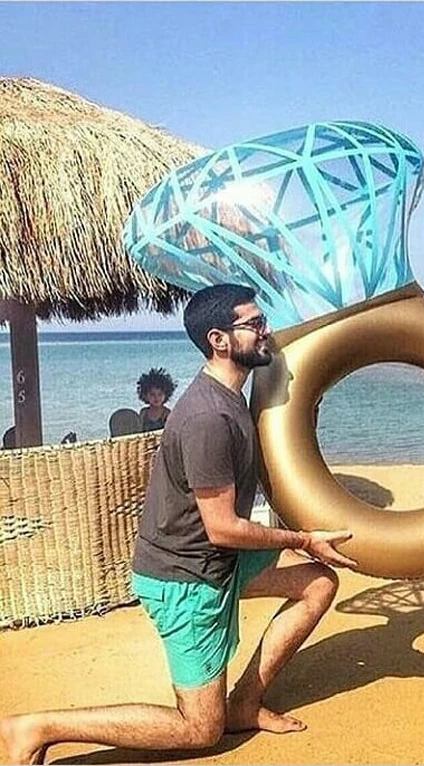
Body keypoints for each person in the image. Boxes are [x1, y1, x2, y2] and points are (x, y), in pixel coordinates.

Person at [0, 283, 357, 764]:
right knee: (200, 729)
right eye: (255, 323)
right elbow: (222, 528)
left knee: (316, 583)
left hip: (220, 563)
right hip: (185, 579)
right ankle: (37, 727)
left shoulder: (230, 398)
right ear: (219, 340)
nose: (266, 330)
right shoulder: (208, 418)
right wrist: (304, 539)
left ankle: (244, 703)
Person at [136, 367, 176, 431]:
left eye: (160, 394)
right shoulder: (144, 413)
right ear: (145, 395)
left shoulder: (167, 414)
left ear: (166, 395)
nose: (156, 398)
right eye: (152, 394)